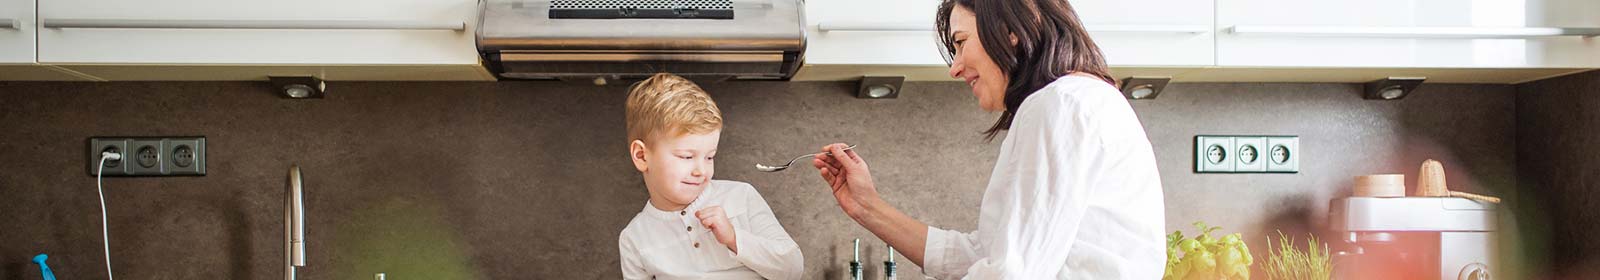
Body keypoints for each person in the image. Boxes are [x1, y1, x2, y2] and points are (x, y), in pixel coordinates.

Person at [811, 0, 1167, 278]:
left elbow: (1012, 271)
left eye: (961, 43)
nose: (955, 67)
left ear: (1010, 30)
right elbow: (986, 257)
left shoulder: (1061, 103)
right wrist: (866, 206)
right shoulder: (1073, 101)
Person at [618, 73, 803, 280]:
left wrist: (734, 238)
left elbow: (792, 269)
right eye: (687, 156)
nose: (701, 171)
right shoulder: (635, 238)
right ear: (642, 156)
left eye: (709, 157)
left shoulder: (740, 196)